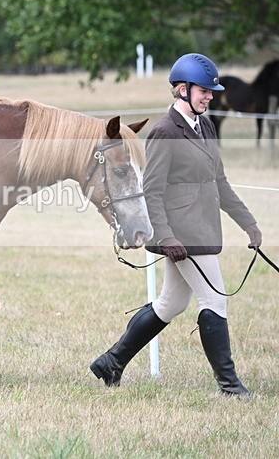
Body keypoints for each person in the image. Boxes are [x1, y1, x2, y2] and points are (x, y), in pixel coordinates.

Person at [90, 53, 262, 396]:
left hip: (202, 230)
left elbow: (220, 182)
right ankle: (229, 386)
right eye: (204, 91)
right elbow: (151, 193)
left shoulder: (207, 125)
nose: (210, 96)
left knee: (171, 303)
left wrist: (249, 224)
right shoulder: (165, 132)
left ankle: (111, 362)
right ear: (182, 90)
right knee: (214, 301)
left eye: (211, 91)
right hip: (183, 236)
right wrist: (165, 237)